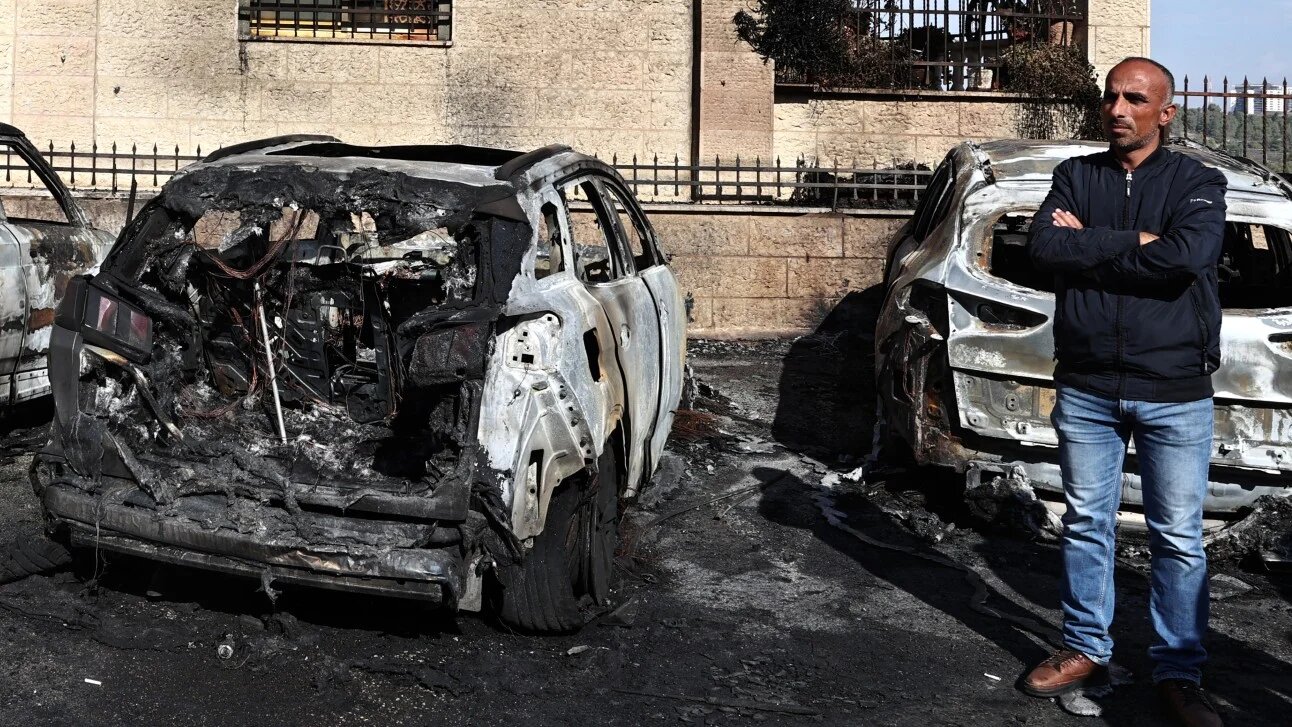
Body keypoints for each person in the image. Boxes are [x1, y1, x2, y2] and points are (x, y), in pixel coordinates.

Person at [1022, 57, 1227, 727]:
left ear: (1165, 113)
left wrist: (1090, 245)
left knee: (1178, 538)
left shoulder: (1197, 181)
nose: (1117, 109)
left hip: (1174, 389)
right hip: (1086, 385)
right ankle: (1086, 647)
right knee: (1086, 523)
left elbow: (1186, 257)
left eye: (1135, 99)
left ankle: (1180, 672)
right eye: (1111, 96)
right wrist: (1134, 240)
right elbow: (1042, 248)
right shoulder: (1076, 176)